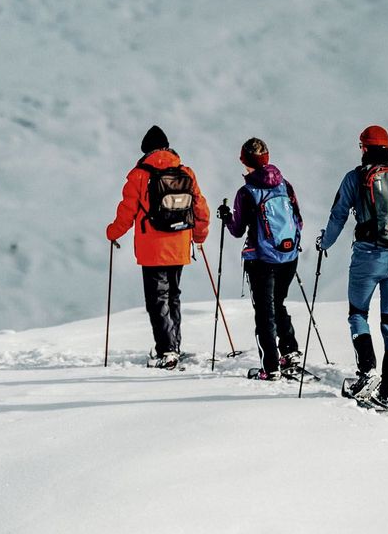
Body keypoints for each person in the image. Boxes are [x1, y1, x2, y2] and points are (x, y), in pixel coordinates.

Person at [317, 124, 388, 404]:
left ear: (364, 148)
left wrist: (324, 243)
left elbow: (338, 215)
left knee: (358, 314)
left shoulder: (354, 178)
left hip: (367, 258)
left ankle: (367, 372)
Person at [106, 125, 211, 369]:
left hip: (152, 247)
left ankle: (167, 351)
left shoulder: (139, 175)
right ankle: (174, 345)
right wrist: (200, 235)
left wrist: (113, 232)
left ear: (146, 150)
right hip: (180, 242)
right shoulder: (185, 172)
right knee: (173, 295)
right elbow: (200, 208)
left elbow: (127, 211)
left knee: (157, 299)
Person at [229, 138, 306, 381]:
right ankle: (290, 351)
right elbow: (298, 221)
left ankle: (270, 368)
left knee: (264, 313)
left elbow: (237, 230)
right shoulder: (285, 185)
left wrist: (226, 218)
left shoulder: (246, 192)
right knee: (278, 304)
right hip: (289, 256)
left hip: (261, 260)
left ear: (245, 161)